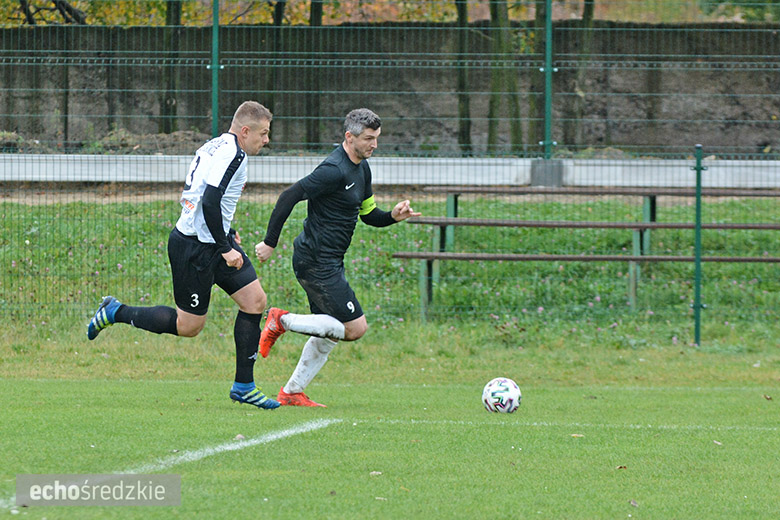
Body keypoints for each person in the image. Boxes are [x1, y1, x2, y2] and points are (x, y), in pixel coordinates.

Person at [87, 101, 280, 410]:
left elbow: (207, 198)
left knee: (254, 300)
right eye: (264, 133)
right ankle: (116, 312)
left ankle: (244, 385)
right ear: (246, 131)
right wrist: (225, 246)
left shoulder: (217, 145)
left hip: (210, 240)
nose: (266, 140)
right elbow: (209, 200)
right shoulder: (235, 153)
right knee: (189, 326)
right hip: (194, 247)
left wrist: (227, 233)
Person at [254, 108, 421, 407]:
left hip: (329, 261)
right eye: (369, 139)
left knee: (330, 329)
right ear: (349, 137)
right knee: (355, 328)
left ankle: (292, 392)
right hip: (316, 261)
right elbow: (289, 196)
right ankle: (281, 320)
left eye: (377, 138)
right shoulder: (333, 170)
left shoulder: (362, 168)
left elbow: (369, 214)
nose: (374, 145)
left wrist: (393, 217)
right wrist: (270, 242)